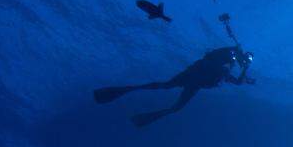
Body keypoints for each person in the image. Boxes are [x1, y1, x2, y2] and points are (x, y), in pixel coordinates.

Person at [93, 45, 255, 127]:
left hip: (195, 82)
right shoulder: (227, 57)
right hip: (194, 77)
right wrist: (233, 56)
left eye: (246, 61)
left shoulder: (227, 69)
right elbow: (213, 58)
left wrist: (245, 70)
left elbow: (238, 82)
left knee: (172, 98)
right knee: (166, 87)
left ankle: (137, 111)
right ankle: (121, 92)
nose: (243, 62)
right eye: (245, 59)